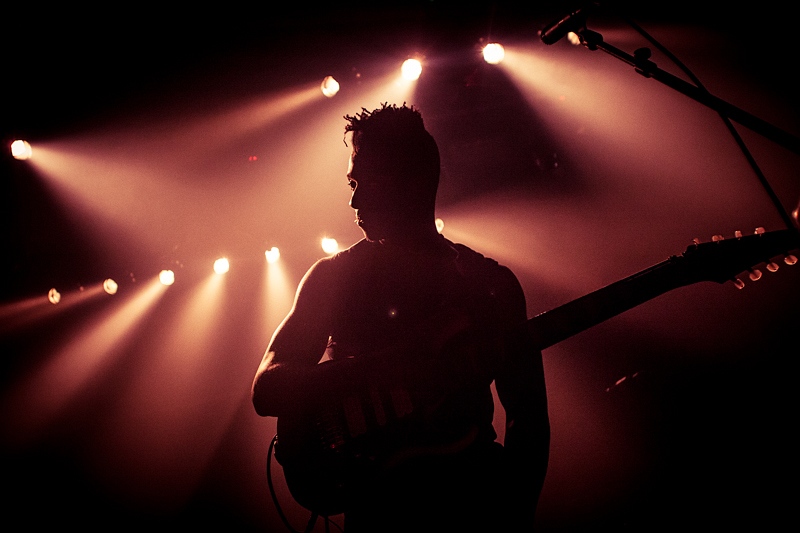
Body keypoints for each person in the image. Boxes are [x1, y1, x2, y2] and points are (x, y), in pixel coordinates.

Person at [251, 103, 550, 531]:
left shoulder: (488, 283)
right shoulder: (333, 276)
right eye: (352, 182)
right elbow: (267, 388)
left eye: (368, 180)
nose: (354, 198)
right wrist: (376, 370)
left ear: (415, 181)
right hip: (376, 514)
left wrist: (517, 515)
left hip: (471, 507)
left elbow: (528, 418)